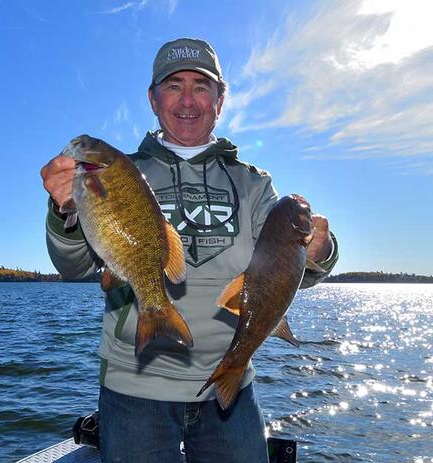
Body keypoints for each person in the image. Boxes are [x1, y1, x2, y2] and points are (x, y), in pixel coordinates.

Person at [40, 38, 339, 463]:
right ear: (153, 98)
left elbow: (284, 273)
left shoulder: (255, 183)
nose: (187, 100)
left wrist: (319, 252)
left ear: (220, 100)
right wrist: (61, 209)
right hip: (133, 389)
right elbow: (72, 267)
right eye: (173, 85)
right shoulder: (118, 172)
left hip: (231, 388)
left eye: (201, 86)